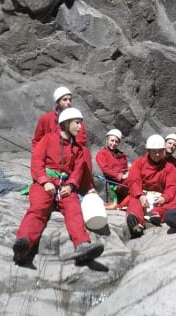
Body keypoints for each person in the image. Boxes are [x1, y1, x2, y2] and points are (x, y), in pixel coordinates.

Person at [13, 108, 104, 266]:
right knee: (38, 209)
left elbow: (77, 171)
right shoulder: (48, 139)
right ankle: (24, 243)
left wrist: (70, 185)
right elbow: (37, 162)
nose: (80, 127)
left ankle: (82, 245)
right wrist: (44, 181)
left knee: (74, 211)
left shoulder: (78, 149)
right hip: (45, 182)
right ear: (66, 123)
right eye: (77, 123)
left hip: (65, 187)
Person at [32, 86, 94, 195]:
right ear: (58, 102)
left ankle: (86, 187)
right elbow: (37, 140)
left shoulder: (76, 119)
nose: (68, 102)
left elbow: (82, 138)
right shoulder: (45, 119)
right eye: (65, 99)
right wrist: (40, 152)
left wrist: (68, 147)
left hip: (71, 151)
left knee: (85, 151)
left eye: (70, 99)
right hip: (49, 152)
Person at [125, 134, 176, 237]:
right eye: (154, 151)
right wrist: (140, 195)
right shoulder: (139, 163)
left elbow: (172, 186)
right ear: (149, 151)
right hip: (143, 196)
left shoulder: (169, 167)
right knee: (134, 201)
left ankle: (156, 214)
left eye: (160, 151)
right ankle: (136, 222)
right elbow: (134, 181)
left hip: (159, 199)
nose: (157, 154)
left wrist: (165, 198)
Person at [95, 129, 129, 205]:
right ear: (107, 140)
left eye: (116, 142)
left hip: (124, 180)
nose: (114, 143)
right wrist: (121, 176)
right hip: (115, 183)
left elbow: (125, 168)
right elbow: (105, 170)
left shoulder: (121, 155)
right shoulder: (102, 154)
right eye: (112, 140)